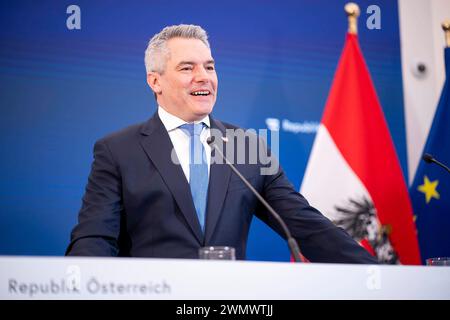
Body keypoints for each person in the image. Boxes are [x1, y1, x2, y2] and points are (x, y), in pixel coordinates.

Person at [66, 24, 377, 264]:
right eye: (187, 68)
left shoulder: (248, 148)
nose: (204, 77)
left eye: (210, 66)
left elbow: (306, 227)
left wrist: (381, 274)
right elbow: (94, 238)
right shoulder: (118, 150)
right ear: (155, 81)